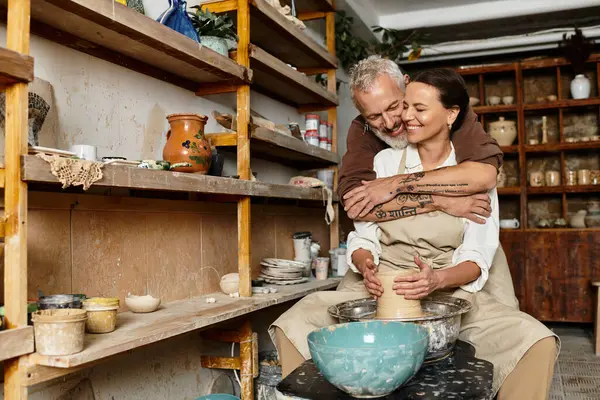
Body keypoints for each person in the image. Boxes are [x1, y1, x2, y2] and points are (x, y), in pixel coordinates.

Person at [269, 62, 558, 400]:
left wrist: (437, 279)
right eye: (382, 115)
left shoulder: (469, 160)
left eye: (404, 106)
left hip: (450, 287)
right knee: (297, 320)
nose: (398, 120)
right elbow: (361, 223)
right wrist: (366, 265)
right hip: (384, 288)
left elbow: (478, 254)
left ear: (450, 115)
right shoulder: (382, 160)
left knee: (533, 340)